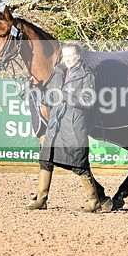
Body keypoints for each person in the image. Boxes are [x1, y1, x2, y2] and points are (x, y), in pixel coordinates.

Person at [27, 43, 112, 213]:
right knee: (46, 159)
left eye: (70, 55)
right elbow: (50, 98)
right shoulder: (58, 72)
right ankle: (41, 199)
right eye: (65, 55)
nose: (67, 58)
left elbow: (88, 101)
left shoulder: (87, 75)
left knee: (78, 163)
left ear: (78, 56)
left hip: (73, 125)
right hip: (56, 124)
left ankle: (94, 201)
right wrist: (32, 91)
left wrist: (65, 96)